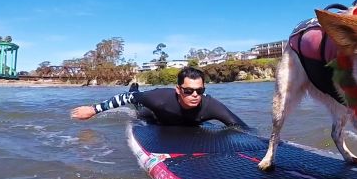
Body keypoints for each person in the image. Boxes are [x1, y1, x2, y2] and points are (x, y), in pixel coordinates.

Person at [71, 67, 249, 128]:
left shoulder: (211, 106)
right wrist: (94, 110)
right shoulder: (160, 99)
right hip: (155, 116)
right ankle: (135, 88)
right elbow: (125, 98)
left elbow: (240, 126)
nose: (195, 95)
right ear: (178, 89)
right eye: (188, 91)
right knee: (138, 107)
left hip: (182, 123)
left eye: (199, 91)